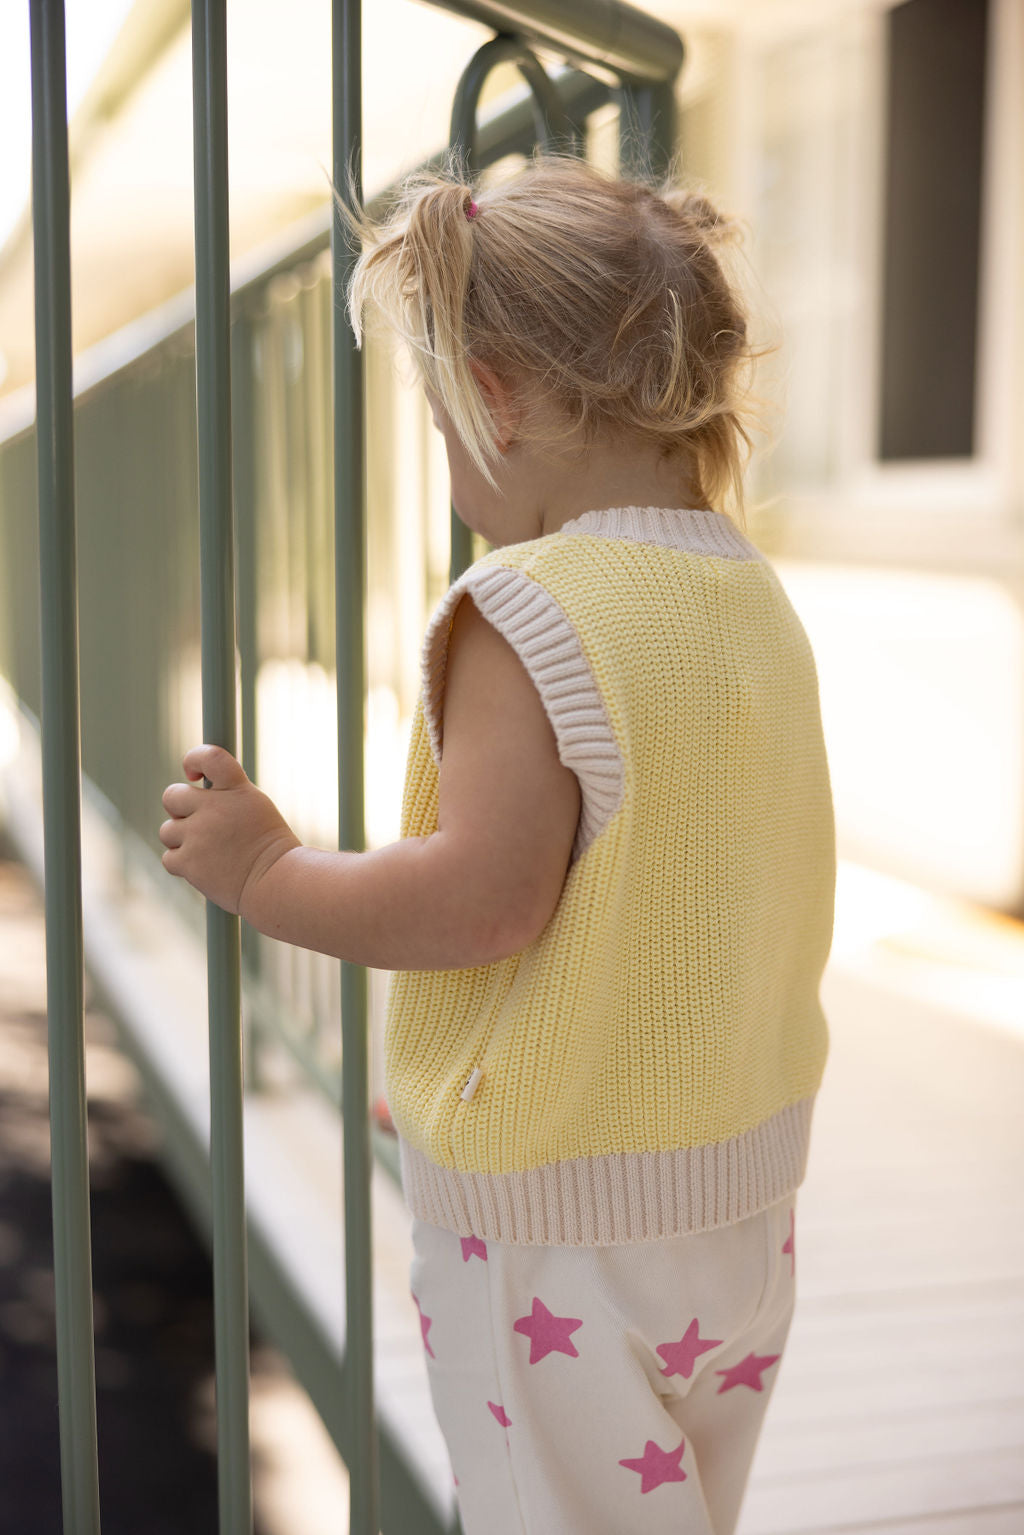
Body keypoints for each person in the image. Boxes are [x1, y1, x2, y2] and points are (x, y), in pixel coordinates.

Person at [160, 156, 835, 1535]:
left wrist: (265, 875)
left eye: (439, 417)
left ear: (501, 396)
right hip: (738, 1209)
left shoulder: (527, 607)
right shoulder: (748, 594)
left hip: (555, 1244)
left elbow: (485, 902)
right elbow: (659, 899)